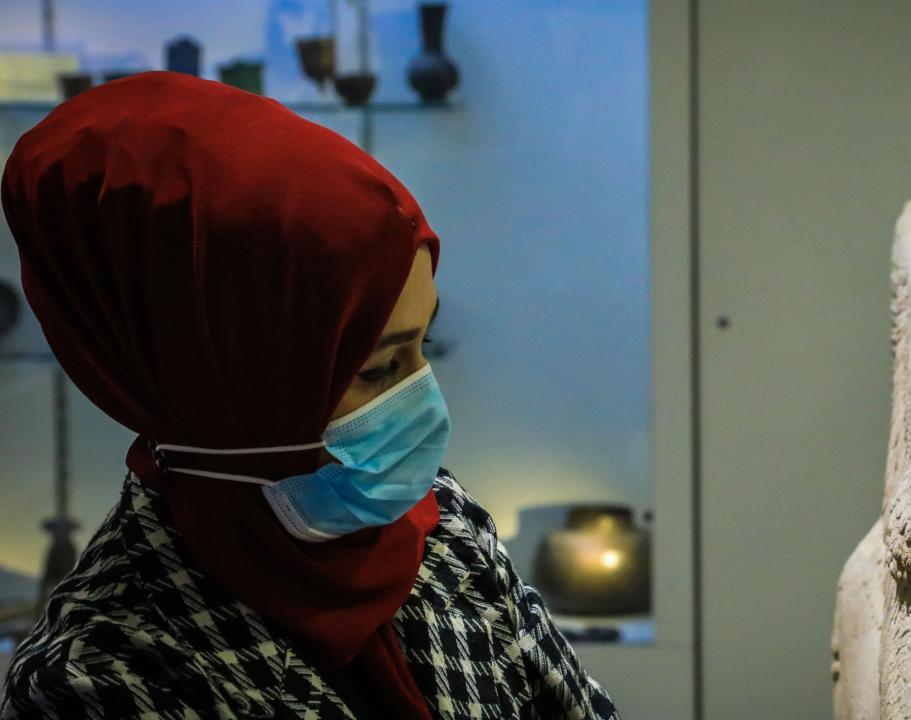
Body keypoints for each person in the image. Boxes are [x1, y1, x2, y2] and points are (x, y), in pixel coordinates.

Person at [0, 71, 617, 720]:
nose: (423, 400)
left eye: (423, 346)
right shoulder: (99, 678)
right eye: (376, 369)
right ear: (212, 377)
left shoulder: (443, 529)